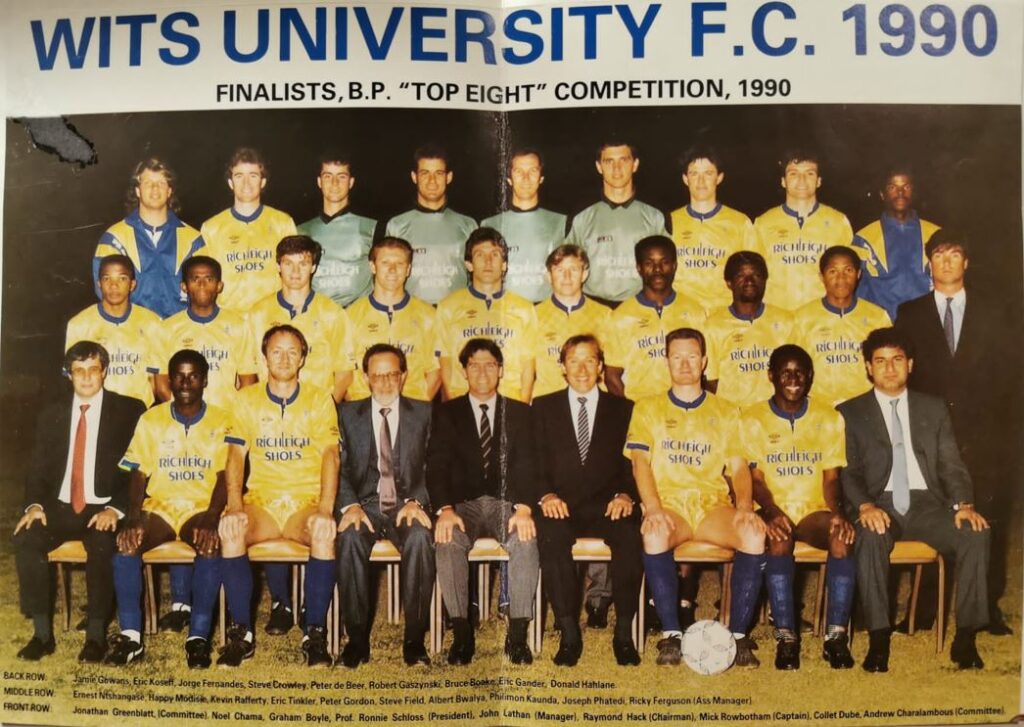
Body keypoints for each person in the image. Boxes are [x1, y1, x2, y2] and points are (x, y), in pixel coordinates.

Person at [838, 327, 991, 672]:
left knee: (975, 533)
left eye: (897, 360)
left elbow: (951, 463)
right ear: (868, 367)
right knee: (871, 536)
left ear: (911, 364)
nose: (890, 368)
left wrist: (963, 504)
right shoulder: (850, 412)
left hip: (926, 505)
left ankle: (966, 636)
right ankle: (879, 639)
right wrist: (864, 505)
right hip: (879, 503)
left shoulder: (933, 408)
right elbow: (849, 471)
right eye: (880, 361)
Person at [894, 229, 1016, 635]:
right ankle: (926, 607)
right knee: (935, 514)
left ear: (967, 262)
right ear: (928, 263)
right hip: (931, 436)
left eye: (955, 254)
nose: (946, 261)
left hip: (986, 435)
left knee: (989, 518)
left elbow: (1009, 374)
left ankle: (987, 608)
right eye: (939, 254)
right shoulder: (910, 313)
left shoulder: (995, 310)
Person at [626, 328, 767, 667]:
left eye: (692, 356)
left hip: (710, 506)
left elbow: (739, 467)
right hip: (670, 504)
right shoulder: (647, 408)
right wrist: (653, 509)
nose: (685, 364)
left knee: (753, 533)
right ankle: (671, 635)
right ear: (666, 361)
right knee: (655, 533)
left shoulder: (727, 410)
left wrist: (744, 507)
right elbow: (639, 463)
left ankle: (738, 636)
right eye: (677, 357)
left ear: (704, 361)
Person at [13, 341, 145, 662]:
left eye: (93, 369)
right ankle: (42, 635)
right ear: (68, 374)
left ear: (105, 372)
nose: (86, 377)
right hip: (60, 506)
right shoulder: (51, 414)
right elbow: (37, 467)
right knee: (27, 538)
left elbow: (138, 468)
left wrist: (116, 508)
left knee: (102, 543)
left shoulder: (128, 411)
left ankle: (95, 637)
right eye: (78, 371)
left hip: (102, 506)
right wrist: (34, 505)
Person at [216, 325, 340, 667]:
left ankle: (314, 633)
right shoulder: (246, 399)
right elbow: (235, 455)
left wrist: (325, 509)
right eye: (276, 351)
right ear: (264, 357)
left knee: (324, 533)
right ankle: (241, 634)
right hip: (264, 503)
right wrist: (234, 506)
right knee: (231, 530)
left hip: (304, 502)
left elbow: (331, 455)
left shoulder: (319, 398)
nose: (284, 359)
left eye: (292, 352)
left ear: (303, 359)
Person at [107, 350, 232, 667]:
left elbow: (224, 476)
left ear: (205, 380)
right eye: (179, 376)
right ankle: (131, 637)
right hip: (161, 507)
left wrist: (213, 517)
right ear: (170, 380)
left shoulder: (223, 420)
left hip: (199, 507)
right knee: (126, 543)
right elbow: (138, 472)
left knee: (210, 543)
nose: (186, 383)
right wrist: (133, 517)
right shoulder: (151, 419)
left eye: (193, 376)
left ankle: (198, 637)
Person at [531, 335, 643, 666]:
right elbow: (533, 461)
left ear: (601, 366)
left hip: (607, 504)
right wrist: (546, 494)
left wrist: (626, 494)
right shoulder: (543, 407)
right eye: (574, 361)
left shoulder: (623, 409)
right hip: (561, 504)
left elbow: (634, 463)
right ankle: (569, 632)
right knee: (551, 536)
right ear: (562, 367)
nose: (582, 369)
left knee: (630, 534)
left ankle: (623, 633)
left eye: (590, 361)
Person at [426, 339, 540, 665]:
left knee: (526, 539)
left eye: (490, 364)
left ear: (501, 370)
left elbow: (531, 464)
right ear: (464, 371)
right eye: (474, 365)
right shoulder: (446, 413)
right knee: (447, 539)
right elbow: (436, 466)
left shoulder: (521, 413)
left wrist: (524, 507)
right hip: (463, 506)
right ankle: (462, 633)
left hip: (507, 504)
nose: (482, 372)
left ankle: (517, 635)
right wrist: (445, 510)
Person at [743, 345, 856, 670]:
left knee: (841, 537)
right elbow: (755, 480)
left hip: (811, 509)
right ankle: (786, 637)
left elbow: (831, 479)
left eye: (800, 373)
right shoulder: (752, 419)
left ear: (810, 376)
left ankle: (836, 637)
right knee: (779, 540)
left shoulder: (829, 417)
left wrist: (838, 513)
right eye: (785, 373)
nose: (793, 379)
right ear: (771, 376)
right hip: (773, 507)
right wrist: (771, 511)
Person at [335, 344, 435, 667]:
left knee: (420, 538)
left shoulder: (425, 413)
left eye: (392, 374)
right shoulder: (346, 415)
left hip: (407, 504)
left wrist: (417, 500)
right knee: (350, 537)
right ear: (365, 378)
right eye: (377, 376)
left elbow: (434, 466)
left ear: (403, 375)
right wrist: (350, 506)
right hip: (365, 504)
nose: (386, 382)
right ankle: (357, 641)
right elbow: (338, 467)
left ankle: (414, 641)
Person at [247, 235, 356, 403]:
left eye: (303, 264)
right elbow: (249, 369)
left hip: (317, 409)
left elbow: (345, 372)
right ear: (278, 266)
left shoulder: (332, 313)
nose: (295, 272)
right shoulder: (258, 313)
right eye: (288, 263)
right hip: (270, 410)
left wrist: (326, 408)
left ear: (313, 267)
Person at [435, 227, 538, 403]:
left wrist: (521, 408)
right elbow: (445, 366)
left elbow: (528, 368)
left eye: (495, 255)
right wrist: (456, 408)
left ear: (504, 265)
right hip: (463, 401)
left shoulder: (524, 308)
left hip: (509, 402)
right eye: (480, 255)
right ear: (469, 264)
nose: (488, 261)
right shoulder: (448, 307)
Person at [93, 157, 205, 318]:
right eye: (147, 183)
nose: (155, 188)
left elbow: (205, 293)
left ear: (169, 191)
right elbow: (104, 292)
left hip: (178, 330)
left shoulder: (193, 240)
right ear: (138, 191)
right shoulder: (114, 239)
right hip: (132, 329)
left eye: (161, 183)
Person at [566, 138, 668, 303]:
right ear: (599, 167)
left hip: (640, 306)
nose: (616, 168)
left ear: (635, 164)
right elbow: (567, 267)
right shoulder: (581, 216)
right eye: (609, 161)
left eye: (624, 160)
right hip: (593, 306)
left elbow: (667, 269)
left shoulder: (655, 215)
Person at [605, 236, 705, 401]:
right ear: (639, 268)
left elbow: (706, 371)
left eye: (664, 262)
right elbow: (612, 377)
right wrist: (631, 410)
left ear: (674, 266)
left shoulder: (695, 311)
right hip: (640, 407)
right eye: (649, 263)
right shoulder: (621, 316)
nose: (657, 269)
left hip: (686, 406)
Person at [200, 148, 297, 312]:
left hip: (272, 316)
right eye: (239, 176)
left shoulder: (283, 223)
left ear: (263, 182)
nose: (246, 183)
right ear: (230, 183)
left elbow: (295, 276)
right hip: (230, 318)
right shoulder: (211, 228)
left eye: (253, 175)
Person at [754, 150, 854, 310]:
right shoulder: (763, 223)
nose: (802, 180)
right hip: (778, 316)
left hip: (822, 316)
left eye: (809, 173)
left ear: (819, 181)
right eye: (793, 174)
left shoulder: (838, 222)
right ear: (783, 181)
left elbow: (850, 275)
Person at [155, 255, 258, 410]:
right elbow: (161, 384)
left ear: (219, 286)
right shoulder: (167, 328)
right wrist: (185, 412)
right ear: (184, 286)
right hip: (183, 417)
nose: (202, 284)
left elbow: (248, 381)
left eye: (209, 279)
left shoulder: (238, 326)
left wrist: (232, 414)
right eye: (195, 279)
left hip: (226, 417)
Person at [793, 246, 891, 407]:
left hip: (866, 406)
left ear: (858, 274)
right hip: (819, 407)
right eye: (833, 271)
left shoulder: (877, 316)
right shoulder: (802, 318)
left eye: (848, 270)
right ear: (821, 277)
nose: (841, 278)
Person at [346, 236, 441, 402]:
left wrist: (416, 409)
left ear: (408, 269)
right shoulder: (350, 316)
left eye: (399, 263)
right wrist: (360, 409)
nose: (392, 269)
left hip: (413, 408)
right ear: (373, 266)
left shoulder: (429, 316)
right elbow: (344, 373)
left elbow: (435, 371)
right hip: (364, 409)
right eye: (385, 263)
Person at [384, 144, 477, 304]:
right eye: (425, 173)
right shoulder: (397, 225)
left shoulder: (468, 225)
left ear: (449, 177)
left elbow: (477, 278)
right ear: (414, 177)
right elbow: (386, 279)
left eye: (439, 173)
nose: (432, 181)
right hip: (412, 314)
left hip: (456, 313)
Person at [66, 254, 161, 407]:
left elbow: (155, 379)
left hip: (140, 411)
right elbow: (74, 378)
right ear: (99, 283)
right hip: (99, 412)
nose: (114, 285)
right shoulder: (79, 324)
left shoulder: (152, 322)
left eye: (122, 278)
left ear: (132, 284)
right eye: (107, 279)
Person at [669, 147, 757, 311]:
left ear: (719, 177)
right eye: (694, 174)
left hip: (724, 315)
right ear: (685, 178)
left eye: (708, 173)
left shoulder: (740, 222)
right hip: (681, 314)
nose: (701, 181)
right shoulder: (670, 221)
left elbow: (752, 274)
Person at [704, 251, 793, 407]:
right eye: (741, 276)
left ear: (765, 280)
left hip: (774, 412)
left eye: (756, 275)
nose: (749, 281)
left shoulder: (785, 321)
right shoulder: (713, 326)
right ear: (729, 283)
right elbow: (711, 381)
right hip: (734, 414)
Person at [481, 146, 567, 302]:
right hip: (506, 310)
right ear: (509, 179)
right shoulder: (490, 225)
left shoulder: (560, 222)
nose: (526, 178)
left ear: (541, 178)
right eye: (518, 171)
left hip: (546, 310)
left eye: (533, 171)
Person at [853, 167, 940, 320]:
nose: (900, 193)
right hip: (881, 325)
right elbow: (858, 289)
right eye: (892, 187)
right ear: (882, 194)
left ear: (914, 192)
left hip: (925, 322)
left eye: (906, 187)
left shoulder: (935, 234)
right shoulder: (864, 238)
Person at [297, 150, 379, 308]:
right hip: (318, 315)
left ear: (351, 182)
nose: (334, 183)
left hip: (359, 315)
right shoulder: (301, 230)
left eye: (341, 176)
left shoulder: (372, 228)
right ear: (319, 181)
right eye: (328, 176)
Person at [532, 245, 613, 398]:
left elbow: (614, 369)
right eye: (560, 270)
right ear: (549, 276)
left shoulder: (605, 315)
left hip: (592, 402)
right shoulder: (533, 316)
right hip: (547, 402)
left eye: (574, 270)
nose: (567, 277)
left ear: (584, 274)